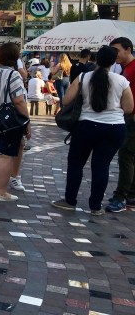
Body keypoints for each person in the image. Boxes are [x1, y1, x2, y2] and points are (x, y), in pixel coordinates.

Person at [52, 46, 132, 215]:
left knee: (76, 163)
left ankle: (70, 200)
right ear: (113, 61)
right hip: (114, 128)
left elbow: (66, 100)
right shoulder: (121, 81)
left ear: (95, 59)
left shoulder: (83, 77)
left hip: (87, 126)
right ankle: (95, 206)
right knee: (102, 166)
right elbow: (129, 107)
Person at [0, 42, 30, 202]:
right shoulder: (13, 75)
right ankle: (2, 191)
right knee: (7, 156)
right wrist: (27, 121)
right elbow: (19, 101)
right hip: (8, 123)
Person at [106, 37, 135, 212]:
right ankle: (130, 194)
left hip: (132, 117)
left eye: (116, 50)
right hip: (127, 116)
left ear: (128, 49)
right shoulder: (126, 69)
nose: (114, 54)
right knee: (130, 156)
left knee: (126, 157)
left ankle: (121, 196)